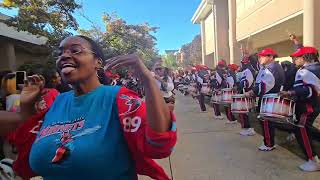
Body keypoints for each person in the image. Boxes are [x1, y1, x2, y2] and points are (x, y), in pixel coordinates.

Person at [0, 35, 177, 179]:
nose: (64, 56)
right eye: (60, 53)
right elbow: (28, 145)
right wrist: (26, 106)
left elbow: (159, 144)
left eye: (75, 50)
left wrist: (147, 78)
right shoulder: (58, 102)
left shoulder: (118, 98)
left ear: (97, 62)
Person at [280, 46, 320, 171]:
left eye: (296, 57)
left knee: (301, 130)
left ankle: (313, 161)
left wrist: (290, 93)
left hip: (308, 106)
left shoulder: (308, 71)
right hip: (311, 105)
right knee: (304, 129)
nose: (294, 60)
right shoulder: (311, 68)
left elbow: (310, 90)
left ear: (305, 57)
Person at [245, 48, 285, 151]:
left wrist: (252, 92)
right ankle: (269, 142)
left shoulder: (272, 68)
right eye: (259, 56)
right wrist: (248, 54)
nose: (260, 58)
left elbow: (264, 85)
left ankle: (269, 144)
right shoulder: (267, 67)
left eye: (263, 56)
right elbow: (256, 66)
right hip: (267, 98)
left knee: (266, 121)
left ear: (271, 57)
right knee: (265, 122)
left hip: (270, 98)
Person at [237, 54, 257, 136]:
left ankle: (248, 128)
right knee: (245, 112)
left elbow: (247, 82)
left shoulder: (248, 70)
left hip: (245, 93)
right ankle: (247, 128)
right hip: (246, 92)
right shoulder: (249, 70)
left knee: (244, 111)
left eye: (242, 62)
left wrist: (240, 88)